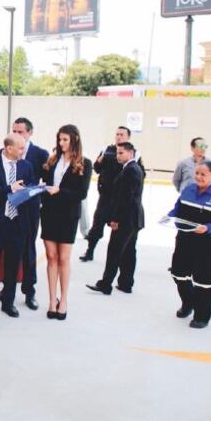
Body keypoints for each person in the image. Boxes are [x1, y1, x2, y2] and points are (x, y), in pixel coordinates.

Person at [167, 161, 211, 328]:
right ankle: (189, 303)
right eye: (197, 173)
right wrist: (169, 217)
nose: (198, 177)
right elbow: (177, 209)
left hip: (207, 244)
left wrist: (208, 228)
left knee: (204, 280)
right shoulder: (188, 190)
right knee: (178, 273)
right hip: (185, 239)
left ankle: (202, 316)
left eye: (203, 174)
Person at [0, 134, 38, 318]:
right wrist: (9, 189)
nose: (23, 151)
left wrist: (34, 190)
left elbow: (30, 190)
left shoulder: (26, 166)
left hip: (17, 224)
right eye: (20, 148)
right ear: (9, 148)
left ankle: (8, 303)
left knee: (13, 266)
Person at [38, 125, 92, 320]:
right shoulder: (52, 160)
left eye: (65, 140)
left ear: (75, 140)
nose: (61, 144)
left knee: (64, 259)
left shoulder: (85, 163)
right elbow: (43, 182)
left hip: (68, 215)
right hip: (50, 214)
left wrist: (59, 191)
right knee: (51, 257)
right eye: (59, 140)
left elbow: (82, 193)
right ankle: (52, 300)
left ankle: (64, 300)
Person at [87, 141, 145, 296]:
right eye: (117, 153)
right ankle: (126, 283)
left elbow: (125, 198)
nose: (118, 156)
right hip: (134, 219)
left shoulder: (131, 170)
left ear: (131, 153)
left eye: (121, 153)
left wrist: (116, 219)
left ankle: (106, 284)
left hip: (126, 219)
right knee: (128, 252)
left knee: (114, 251)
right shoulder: (133, 169)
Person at [11, 117, 49, 310]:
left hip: (31, 209)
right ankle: (8, 289)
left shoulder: (40, 154)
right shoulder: (7, 151)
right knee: (10, 249)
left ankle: (29, 291)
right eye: (14, 131)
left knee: (28, 250)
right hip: (10, 207)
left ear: (30, 133)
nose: (17, 135)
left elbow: (47, 181)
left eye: (20, 132)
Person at [80, 126, 131, 262]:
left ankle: (118, 257)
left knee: (119, 230)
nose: (119, 136)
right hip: (105, 197)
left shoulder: (132, 153)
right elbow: (96, 168)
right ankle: (89, 251)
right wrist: (99, 161)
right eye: (117, 134)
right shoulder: (106, 150)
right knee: (97, 225)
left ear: (128, 137)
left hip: (120, 198)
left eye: (122, 134)